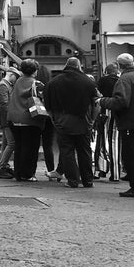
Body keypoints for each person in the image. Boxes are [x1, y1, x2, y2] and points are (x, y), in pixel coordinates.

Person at [99, 54, 134, 198]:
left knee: (130, 155)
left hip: (130, 121)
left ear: (119, 65)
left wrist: (102, 101)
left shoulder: (124, 79)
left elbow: (121, 102)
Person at [44, 57, 97, 189]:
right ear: (79, 67)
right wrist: (92, 119)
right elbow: (96, 103)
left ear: (66, 66)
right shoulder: (88, 82)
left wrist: (54, 119)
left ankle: (73, 180)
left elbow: (48, 106)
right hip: (83, 121)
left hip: (62, 120)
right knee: (85, 151)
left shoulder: (53, 83)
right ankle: (88, 181)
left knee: (67, 151)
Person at [6, 59, 46, 182]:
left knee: (19, 146)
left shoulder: (17, 82)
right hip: (30, 119)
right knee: (31, 148)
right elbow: (43, 97)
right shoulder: (36, 83)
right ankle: (28, 173)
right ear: (34, 71)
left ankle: (18, 173)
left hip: (14, 118)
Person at [95, 62, 121, 181]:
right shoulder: (120, 81)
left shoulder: (102, 81)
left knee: (101, 141)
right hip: (117, 113)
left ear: (106, 71)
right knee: (114, 142)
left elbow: (97, 96)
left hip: (104, 112)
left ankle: (100, 170)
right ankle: (115, 173)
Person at [0, 67, 20, 179]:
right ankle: (3, 166)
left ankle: (4, 165)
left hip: (5, 118)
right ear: (11, 74)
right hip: (6, 118)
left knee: (5, 143)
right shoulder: (3, 86)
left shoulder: (5, 85)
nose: (16, 79)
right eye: (16, 76)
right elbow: (4, 104)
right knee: (12, 143)